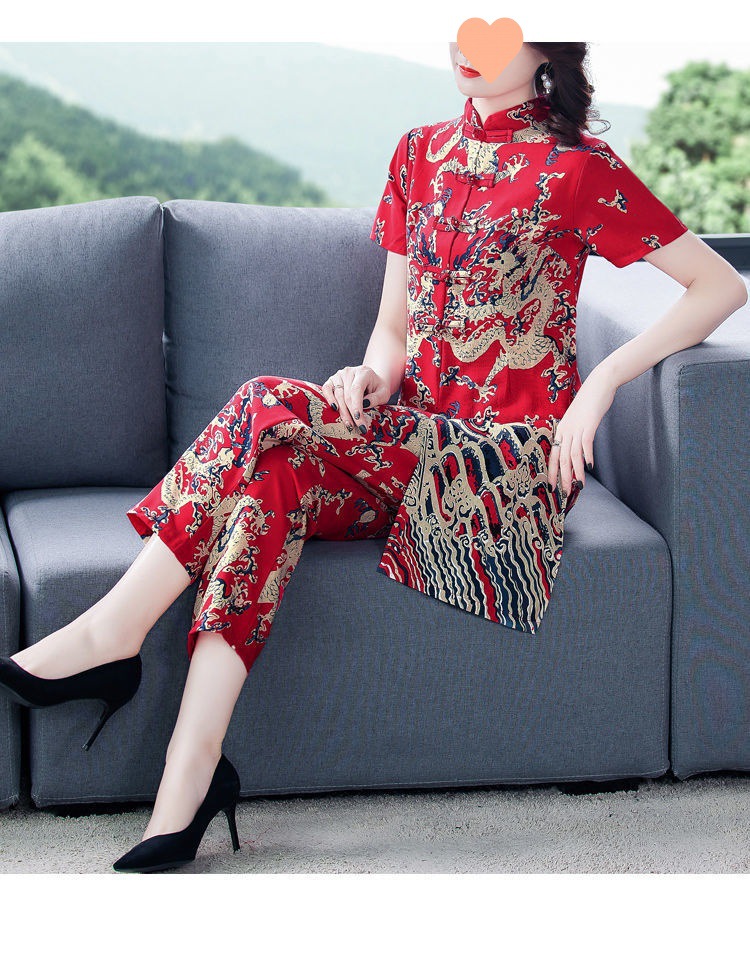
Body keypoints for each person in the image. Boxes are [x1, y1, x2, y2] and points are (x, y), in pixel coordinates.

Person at [0, 41, 745, 873]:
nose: (473, 45)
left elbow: (721, 285)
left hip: (502, 465)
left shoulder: (579, 170)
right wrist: (369, 377)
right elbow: (393, 328)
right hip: (409, 438)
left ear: (545, 46)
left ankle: (113, 632)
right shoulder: (419, 152)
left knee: (266, 402)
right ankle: (192, 768)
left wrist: (602, 382)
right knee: (273, 475)